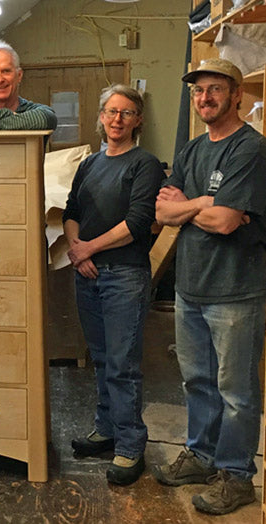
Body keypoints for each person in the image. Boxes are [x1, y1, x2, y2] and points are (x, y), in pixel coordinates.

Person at [154, 58, 266, 516]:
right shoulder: (192, 149)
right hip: (191, 287)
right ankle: (202, 457)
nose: (205, 98)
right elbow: (163, 212)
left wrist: (190, 205)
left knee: (236, 391)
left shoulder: (251, 150)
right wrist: (203, 202)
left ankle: (237, 475)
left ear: (237, 94)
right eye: (199, 91)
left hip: (236, 290)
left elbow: (224, 222)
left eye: (215, 89)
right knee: (198, 380)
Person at [62, 84, 164, 486]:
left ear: (137, 120)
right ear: (101, 117)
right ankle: (105, 430)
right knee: (102, 360)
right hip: (87, 275)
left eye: (126, 112)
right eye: (110, 111)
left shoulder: (145, 164)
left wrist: (88, 249)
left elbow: (138, 222)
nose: (117, 119)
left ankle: (129, 446)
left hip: (124, 277)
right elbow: (71, 210)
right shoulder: (89, 164)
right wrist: (77, 249)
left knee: (122, 366)